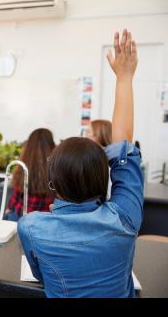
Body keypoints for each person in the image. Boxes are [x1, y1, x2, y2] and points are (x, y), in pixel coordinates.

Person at [18, 29, 143, 297]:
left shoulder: (32, 227)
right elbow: (124, 151)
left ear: (52, 183)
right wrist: (124, 78)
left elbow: (40, 274)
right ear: (104, 177)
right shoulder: (123, 218)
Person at [4, 128, 55, 221]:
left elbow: (16, 193)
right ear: (51, 144)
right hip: (45, 220)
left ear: (30, 145)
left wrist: (9, 208)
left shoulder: (24, 165)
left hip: (21, 217)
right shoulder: (55, 167)